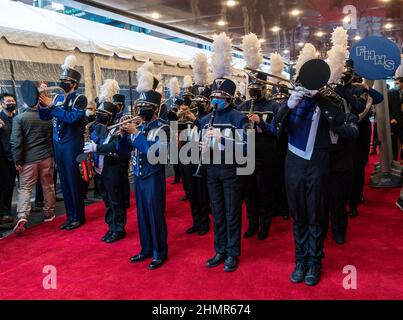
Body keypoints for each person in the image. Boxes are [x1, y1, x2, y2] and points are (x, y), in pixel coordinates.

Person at [268, 87, 358, 286]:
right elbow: (274, 129)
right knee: (298, 216)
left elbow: (349, 132)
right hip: (294, 165)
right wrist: (288, 105)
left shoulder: (328, 103)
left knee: (316, 216)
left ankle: (315, 263)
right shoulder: (292, 103)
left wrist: (319, 97)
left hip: (318, 164)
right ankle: (300, 261)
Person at [117, 67, 169, 270]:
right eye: (140, 105)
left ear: (155, 108)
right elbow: (123, 151)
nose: (141, 109)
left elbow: (155, 153)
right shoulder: (141, 127)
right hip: (139, 177)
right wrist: (122, 135)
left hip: (154, 177)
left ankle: (159, 252)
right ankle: (146, 248)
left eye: (145, 106)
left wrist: (136, 134)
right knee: (142, 216)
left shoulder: (162, 127)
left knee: (155, 216)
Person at [198, 77, 248, 272]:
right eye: (213, 96)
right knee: (217, 213)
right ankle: (220, 249)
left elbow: (246, 148)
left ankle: (233, 253)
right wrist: (201, 146)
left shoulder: (238, 118)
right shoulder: (204, 120)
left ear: (228, 98)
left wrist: (222, 139)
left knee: (231, 213)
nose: (215, 100)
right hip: (212, 170)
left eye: (219, 96)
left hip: (231, 171)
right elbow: (200, 147)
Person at [38, 55, 92, 230]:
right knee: (65, 182)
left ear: (74, 84)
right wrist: (42, 103)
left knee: (74, 180)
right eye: (61, 79)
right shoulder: (57, 98)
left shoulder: (80, 98)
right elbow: (45, 117)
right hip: (59, 144)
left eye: (65, 80)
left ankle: (78, 217)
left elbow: (71, 118)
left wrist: (52, 107)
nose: (62, 82)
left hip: (71, 144)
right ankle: (70, 216)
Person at [239, 71, 282, 240]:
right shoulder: (243, 106)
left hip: (266, 154)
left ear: (265, 89)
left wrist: (261, 122)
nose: (254, 92)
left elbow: (278, 132)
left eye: (258, 88)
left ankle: (265, 223)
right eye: (252, 88)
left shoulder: (274, 106)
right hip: (247, 153)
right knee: (249, 191)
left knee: (265, 190)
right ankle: (252, 223)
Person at [83, 102, 130, 243]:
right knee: (107, 201)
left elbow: (116, 147)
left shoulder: (118, 131)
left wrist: (96, 147)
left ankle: (119, 229)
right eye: (98, 114)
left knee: (116, 202)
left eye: (102, 115)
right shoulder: (96, 129)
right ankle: (111, 226)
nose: (98, 118)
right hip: (100, 171)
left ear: (110, 117)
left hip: (114, 172)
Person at [11, 89, 55, 234]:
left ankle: (23, 215)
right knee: (48, 185)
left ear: (25, 101)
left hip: (28, 160)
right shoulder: (47, 117)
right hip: (47, 157)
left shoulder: (20, 118)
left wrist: (17, 160)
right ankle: (49, 213)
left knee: (25, 188)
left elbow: (16, 142)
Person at [180, 86, 212, 235]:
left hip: (203, 158)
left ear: (208, 103)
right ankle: (196, 221)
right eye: (197, 101)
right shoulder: (194, 116)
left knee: (202, 192)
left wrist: (195, 119)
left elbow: (206, 129)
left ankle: (204, 222)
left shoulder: (211, 116)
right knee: (192, 192)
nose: (199, 104)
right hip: (190, 156)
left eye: (202, 102)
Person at [0, 93, 17, 225]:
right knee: (5, 186)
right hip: (4, 159)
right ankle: (4, 213)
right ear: (2, 104)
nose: (11, 102)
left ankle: (8, 210)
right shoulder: (0, 119)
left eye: (12, 100)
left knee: (13, 186)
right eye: (8, 101)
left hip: (17, 156)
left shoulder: (17, 118)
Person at [388, 77, 403, 161]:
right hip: (394, 122)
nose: (395, 85)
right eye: (395, 83)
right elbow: (388, 108)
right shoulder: (391, 93)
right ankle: (394, 160)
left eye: (397, 83)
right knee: (393, 143)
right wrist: (391, 118)